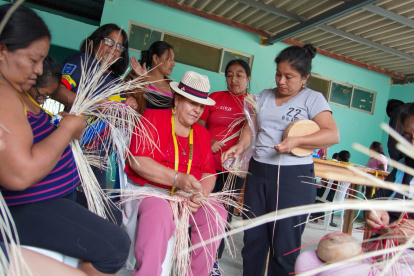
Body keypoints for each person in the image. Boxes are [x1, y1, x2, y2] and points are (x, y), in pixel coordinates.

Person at [0, 5, 129, 275]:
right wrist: (67, 128)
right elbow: (20, 175)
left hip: (68, 180)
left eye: (119, 46)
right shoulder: (6, 94)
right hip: (30, 202)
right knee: (116, 247)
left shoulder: (16, 89)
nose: (39, 69)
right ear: (2, 51)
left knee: (114, 216)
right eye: (34, 59)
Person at [222, 44, 339, 275]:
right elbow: (251, 127)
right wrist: (240, 146)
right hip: (258, 173)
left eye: (289, 77)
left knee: (284, 244)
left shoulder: (313, 99)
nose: (281, 81)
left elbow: (332, 134)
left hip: (293, 178)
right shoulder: (264, 96)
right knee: (253, 237)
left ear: (305, 78)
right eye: (278, 74)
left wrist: (297, 141)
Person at [124, 71, 227, 276]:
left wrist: (201, 195)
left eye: (200, 106)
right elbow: (138, 161)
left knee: (216, 212)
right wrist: (177, 178)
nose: (197, 110)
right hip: (149, 192)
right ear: (177, 99)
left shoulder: (201, 134)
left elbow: (208, 172)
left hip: (184, 197)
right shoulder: (152, 118)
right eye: (191, 103)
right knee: (159, 213)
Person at [295, 103, 414, 275]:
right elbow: (376, 202)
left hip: (407, 257)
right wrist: (374, 212)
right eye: (406, 137)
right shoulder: (403, 167)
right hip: (384, 248)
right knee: (307, 261)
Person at [51, 23, 137, 192]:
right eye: (109, 42)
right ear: (97, 40)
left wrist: (129, 105)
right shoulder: (82, 61)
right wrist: (94, 104)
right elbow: (57, 91)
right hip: (71, 149)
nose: (114, 49)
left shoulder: (116, 81)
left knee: (90, 210)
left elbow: (118, 117)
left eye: (120, 47)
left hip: (99, 159)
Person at [198, 59, 251, 265]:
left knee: (223, 213)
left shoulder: (252, 104)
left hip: (233, 169)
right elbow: (199, 126)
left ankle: (212, 258)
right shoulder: (214, 98)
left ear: (248, 78)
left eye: (239, 75)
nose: (234, 79)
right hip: (206, 163)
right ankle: (192, 248)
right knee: (200, 204)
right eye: (229, 75)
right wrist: (208, 141)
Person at [128, 41, 175, 113]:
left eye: (173, 59)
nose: (173, 64)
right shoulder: (138, 77)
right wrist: (140, 79)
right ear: (156, 58)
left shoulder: (171, 86)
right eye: (169, 58)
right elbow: (129, 101)